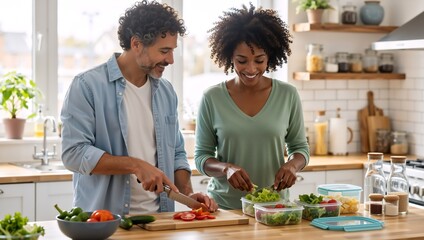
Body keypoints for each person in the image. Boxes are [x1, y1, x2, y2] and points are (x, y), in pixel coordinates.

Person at [61, 0, 217, 216]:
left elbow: (177, 152)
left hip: (159, 221)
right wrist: (135, 165)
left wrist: (187, 193)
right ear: (136, 44)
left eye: (172, 51)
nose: (170, 60)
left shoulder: (166, 92)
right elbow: (73, 153)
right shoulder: (87, 86)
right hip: (105, 222)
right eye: (164, 51)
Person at [194, 3, 310, 209]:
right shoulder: (212, 98)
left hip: (275, 208)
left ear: (270, 58)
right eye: (242, 60)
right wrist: (226, 168)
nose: (251, 68)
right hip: (224, 208)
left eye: (259, 60)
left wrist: (293, 165)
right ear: (230, 56)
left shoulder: (287, 95)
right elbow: (202, 157)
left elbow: (300, 148)